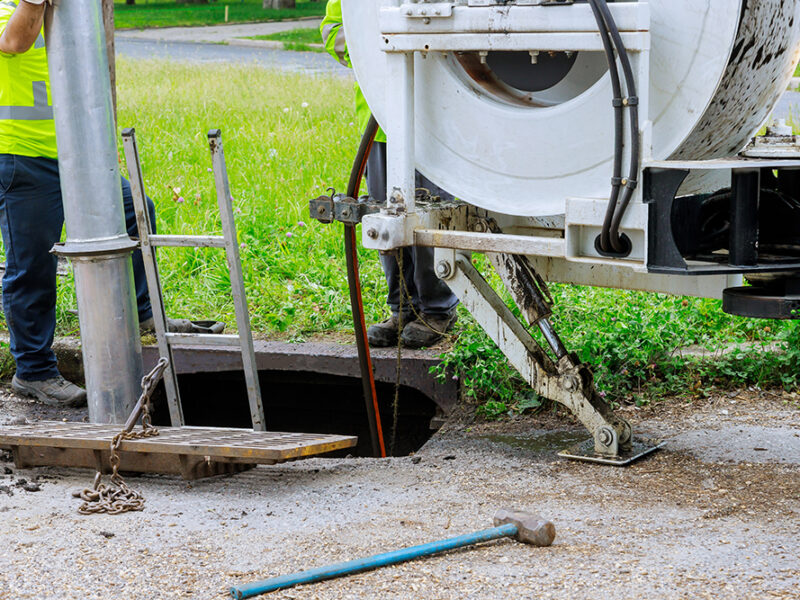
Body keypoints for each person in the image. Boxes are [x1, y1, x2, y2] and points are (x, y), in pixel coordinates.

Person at [0, 0, 157, 407]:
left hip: (79, 150)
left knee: (136, 213)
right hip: (23, 156)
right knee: (32, 264)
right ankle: (33, 371)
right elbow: (16, 41)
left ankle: (143, 313)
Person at [321, 1, 459, 349]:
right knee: (388, 220)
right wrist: (377, 44)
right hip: (381, 120)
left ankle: (438, 309)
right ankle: (403, 308)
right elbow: (333, 30)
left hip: (438, 120)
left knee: (432, 218)